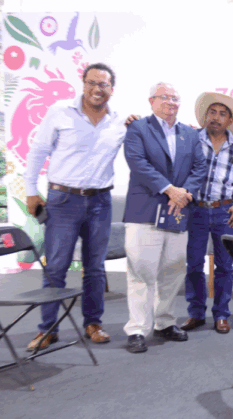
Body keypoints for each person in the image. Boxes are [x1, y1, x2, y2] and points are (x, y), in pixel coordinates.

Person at [24, 63, 125, 351]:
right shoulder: (60, 112)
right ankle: (48, 329)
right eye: (92, 82)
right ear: (83, 84)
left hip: (100, 202)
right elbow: (38, 151)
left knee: (95, 267)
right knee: (56, 266)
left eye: (103, 84)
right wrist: (31, 192)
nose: (97, 89)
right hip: (63, 201)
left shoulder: (118, 121)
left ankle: (93, 323)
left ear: (111, 89)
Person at [122, 82, 207, 353]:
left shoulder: (190, 134)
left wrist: (184, 193)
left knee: (172, 268)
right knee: (141, 271)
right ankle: (137, 328)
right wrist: (169, 189)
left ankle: (165, 322)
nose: (171, 102)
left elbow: (199, 166)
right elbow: (137, 162)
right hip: (145, 210)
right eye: (165, 97)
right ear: (151, 101)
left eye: (175, 98)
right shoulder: (138, 128)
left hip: (178, 211)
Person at [180, 92, 233, 335]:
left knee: (225, 267)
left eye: (222, 114)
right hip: (195, 211)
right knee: (194, 265)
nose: (216, 118)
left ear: (230, 120)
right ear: (205, 116)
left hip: (224, 213)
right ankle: (196, 313)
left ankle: (221, 314)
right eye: (212, 112)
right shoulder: (190, 140)